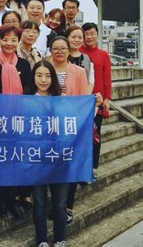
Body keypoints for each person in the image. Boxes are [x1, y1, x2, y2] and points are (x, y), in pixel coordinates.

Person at [50, 36, 100, 227]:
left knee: (70, 167)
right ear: (50, 50)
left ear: (69, 50)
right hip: (48, 127)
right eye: (55, 48)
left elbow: (82, 100)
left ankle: (67, 206)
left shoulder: (78, 71)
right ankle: (55, 204)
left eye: (63, 48)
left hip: (71, 127)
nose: (59, 51)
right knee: (52, 167)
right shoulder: (44, 68)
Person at [24, 60, 66, 247]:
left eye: (48, 76)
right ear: (33, 77)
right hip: (36, 160)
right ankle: (41, 239)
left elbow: (75, 124)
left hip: (60, 160)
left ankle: (60, 239)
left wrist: (93, 104)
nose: (43, 80)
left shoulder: (62, 100)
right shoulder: (25, 101)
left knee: (60, 204)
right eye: (39, 75)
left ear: (53, 78)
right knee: (39, 203)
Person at [0, 24, 31, 219]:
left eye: (13, 40)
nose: (9, 43)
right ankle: (0, 200)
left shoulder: (23, 65)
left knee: (16, 161)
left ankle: (12, 199)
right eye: (5, 39)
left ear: (18, 42)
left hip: (18, 120)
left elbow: (29, 90)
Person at [81, 22, 112, 175]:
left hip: (97, 101)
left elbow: (107, 78)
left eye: (92, 33)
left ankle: (93, 166)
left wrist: (107, 99)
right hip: (80, 100)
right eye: (86, 34)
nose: (89, 37)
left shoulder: (103, 55)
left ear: (97, 35)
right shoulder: (78, 52)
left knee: (95, 134)